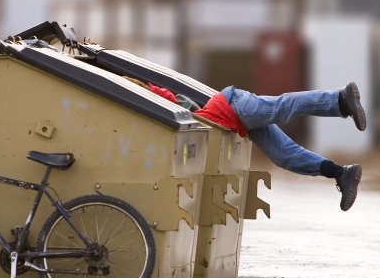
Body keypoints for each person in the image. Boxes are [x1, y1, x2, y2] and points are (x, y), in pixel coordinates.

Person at [134, 78, 366, 211]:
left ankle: (340, 99)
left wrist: (142, 91)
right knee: (284, 155)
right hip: (236, 120)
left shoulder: (151, 96)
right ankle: (341, 173)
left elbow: (167, 96)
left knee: (282, 107)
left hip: (233, 106)